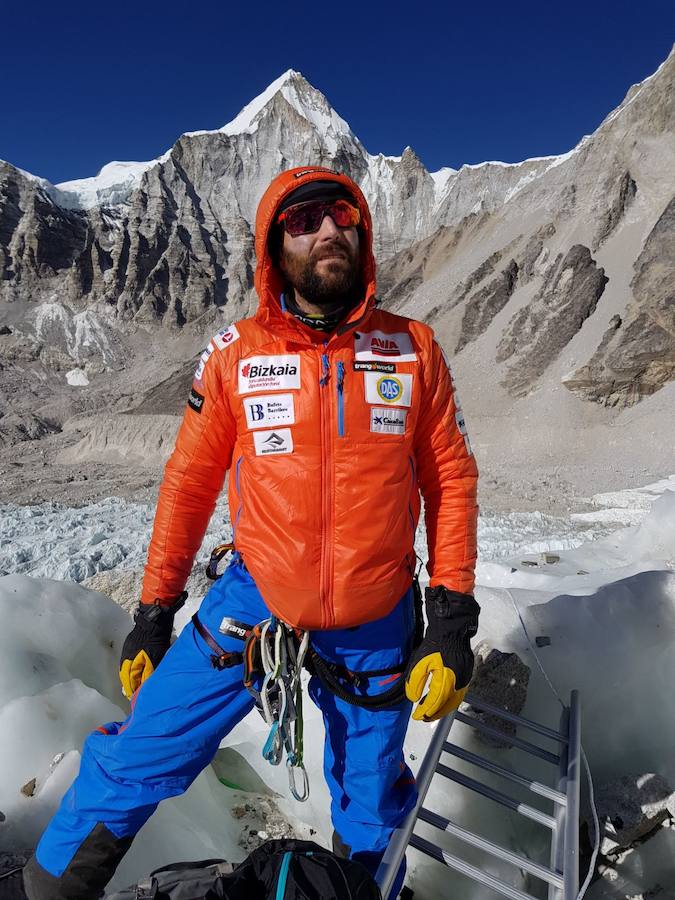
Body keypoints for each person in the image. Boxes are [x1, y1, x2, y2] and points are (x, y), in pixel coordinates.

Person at [24, 167, 479, 900]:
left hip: (375, 616)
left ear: (362, 229)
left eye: (340, 215)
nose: (327, 231)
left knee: (371, 799)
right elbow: (188, 485)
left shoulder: (412, 350)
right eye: (303, 222)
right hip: (252, 601)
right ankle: (47, 890)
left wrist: (452, 616)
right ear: (274, 247)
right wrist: (153, 612)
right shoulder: (234, 354)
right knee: (141, 752)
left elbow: (449, 482)